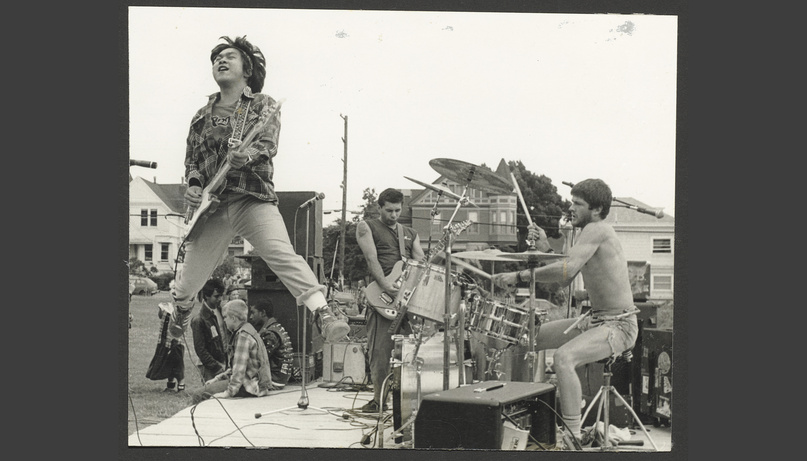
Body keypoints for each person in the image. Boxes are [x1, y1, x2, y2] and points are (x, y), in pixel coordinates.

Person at [164, 35, 349, 345]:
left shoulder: (262, 104)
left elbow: (267, 144)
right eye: (216, 58)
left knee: (282, 254)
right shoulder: (199, 117)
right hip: (213, 208)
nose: (220, 60)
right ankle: (182, 308)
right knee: (188, 283)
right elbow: (192, 163)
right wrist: (195, 186)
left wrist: (245, 155)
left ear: (247, 69)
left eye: (229, 56)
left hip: (253, 199)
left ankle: (324, 314)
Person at [491, 178, 638, 442]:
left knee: (563, 358)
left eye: (577, 203)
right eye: (571, 201)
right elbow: (566, 276)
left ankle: (571, 437)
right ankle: (517, 415)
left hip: (620, 325)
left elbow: (566, 269)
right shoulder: (588, 232)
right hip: (595, 320)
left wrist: (520, 275)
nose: (571, 208)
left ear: (596, 209)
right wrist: (546, 245)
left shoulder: (598, 229)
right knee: (527, 338)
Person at [355, 188, 425, 413]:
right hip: (382, 296)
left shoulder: (410, 233)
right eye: (389, 210)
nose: (394, 215)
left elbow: (420, 262)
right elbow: (370, 257)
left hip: (405, 299)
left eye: (397, 210)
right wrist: (387, 286)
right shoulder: (367, 226)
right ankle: (378, 400)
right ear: (379, 207)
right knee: (380, 352)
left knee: (413, 349)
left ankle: (410, 400)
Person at [191, 299, 275, 404]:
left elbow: (238, 371)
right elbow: (235, 368)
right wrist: (216, 379)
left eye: (225, 317)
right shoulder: (248, 330)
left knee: (199, 394)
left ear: (233, 318)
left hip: (250, 387)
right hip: (255, 384)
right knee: (208, 388)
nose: (224, 321)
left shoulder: (243, 336)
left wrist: (228, 393)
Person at [248, 300, 294, 389]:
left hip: (274, 380)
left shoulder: (270, 333)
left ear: (263, 313)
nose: (250, 317)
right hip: (279, 377)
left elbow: (259, 360)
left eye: (253, 313)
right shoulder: (275, 327)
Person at [190, 278, 228, 382]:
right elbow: (200, 349)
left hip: (223, 362)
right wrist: (217, 368)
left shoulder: (221, 311)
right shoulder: (198, 320)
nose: (220, 299)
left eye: (221, 295)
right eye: (216, 296)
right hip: (210, 367)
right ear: (206, 296)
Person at [145, 302, 187, 393]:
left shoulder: (182, 307)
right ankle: (170, 386)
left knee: (178, 364)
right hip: (165, 341)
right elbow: (160, 316)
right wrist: (163, 309)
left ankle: (181, 387)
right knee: (168, 362)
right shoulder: (166, 305)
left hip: (176, 342)